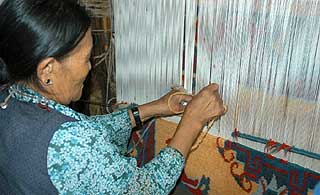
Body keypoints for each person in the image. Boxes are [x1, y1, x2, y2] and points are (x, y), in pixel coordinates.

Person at [0, 0, 226, 194]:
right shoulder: (74, 142)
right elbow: (144, 189)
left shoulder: (10, 96)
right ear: (47, 70)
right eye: (87, 58)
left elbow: (82, 132)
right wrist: (192, 121)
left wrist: (153, 108)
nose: (90, 68)